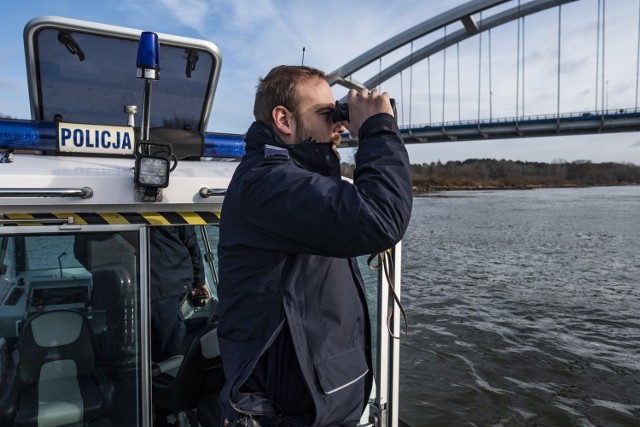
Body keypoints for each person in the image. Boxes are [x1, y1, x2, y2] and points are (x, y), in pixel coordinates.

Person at [216, 65, 413, 426]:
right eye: (327, 114)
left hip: (319, 409)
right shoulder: (268, 183)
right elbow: (381, 218)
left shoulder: (292, 181)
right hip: (285, 414)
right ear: (284, 120)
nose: (339, 125)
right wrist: (377, 128)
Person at [149, 225, 207, 362]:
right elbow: (191, 243)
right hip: (168, 281)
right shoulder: (171, 207)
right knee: (167, 352)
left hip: (131, 282)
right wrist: (199, 283)